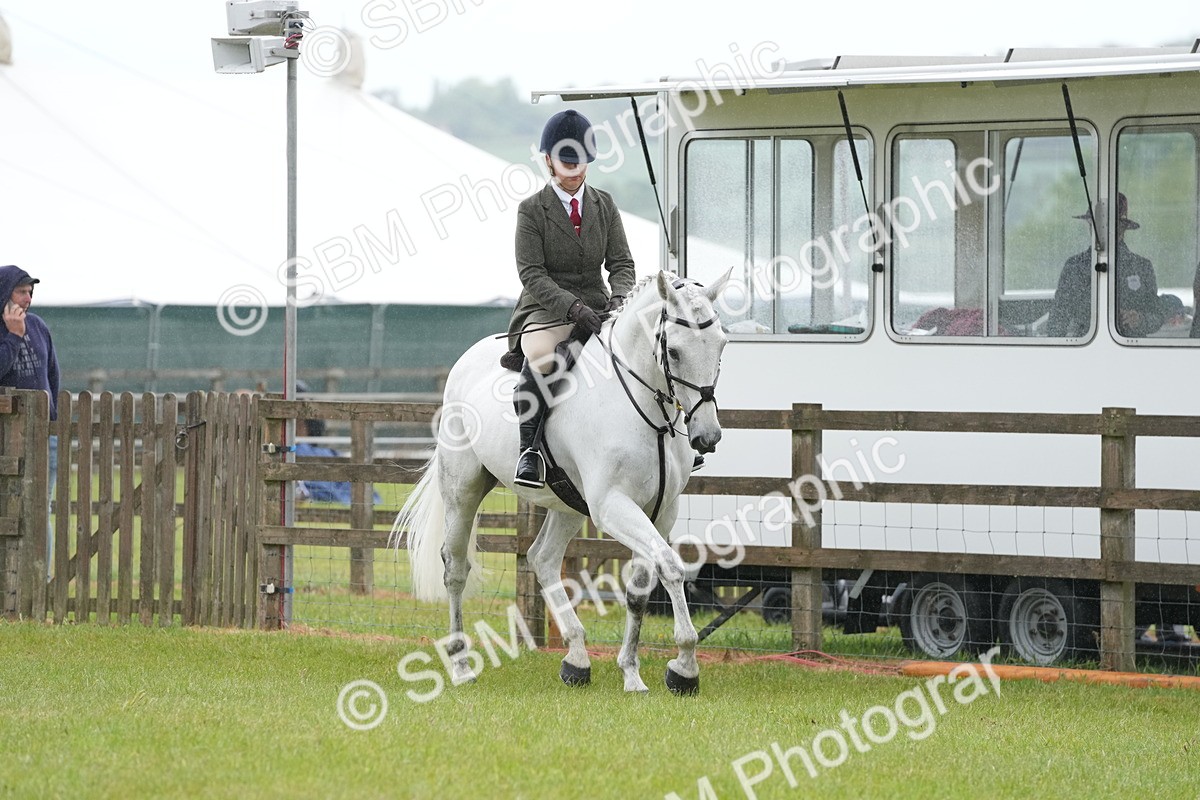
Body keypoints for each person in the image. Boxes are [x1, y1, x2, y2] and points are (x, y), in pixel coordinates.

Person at [506, 109, 636, 488]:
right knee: (546, 359)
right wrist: (571, 307)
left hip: (598, 306)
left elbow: (622, 262)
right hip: (545, 310)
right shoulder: (532, 210)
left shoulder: (604, 205)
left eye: (580, 163)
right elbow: (531, 273)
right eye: (566, 163)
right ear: (547, 160)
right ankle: (529, 450)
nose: (574, 171)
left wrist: (620, 298)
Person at [0, 265, 60, 573]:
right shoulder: (7, 330)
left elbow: (51, 375)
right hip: (5, 435)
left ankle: (40, 580)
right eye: (21, 291)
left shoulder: (38, 326)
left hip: (43, 436)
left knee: (40, 508)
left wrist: (54, 422)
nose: (27, 299)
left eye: (30, 292)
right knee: (5, 509)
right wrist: (12, 337)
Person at [1047, 194, 1175, 338]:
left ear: (1123, 227)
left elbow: (1156, 316)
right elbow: (1057, 318)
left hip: (1131, 352)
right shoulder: (1074, 266)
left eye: (1109, 224)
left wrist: (1139, 319)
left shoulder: (1141, 267)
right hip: (1083, 351)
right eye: (1095, 224)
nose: (1100, 230)